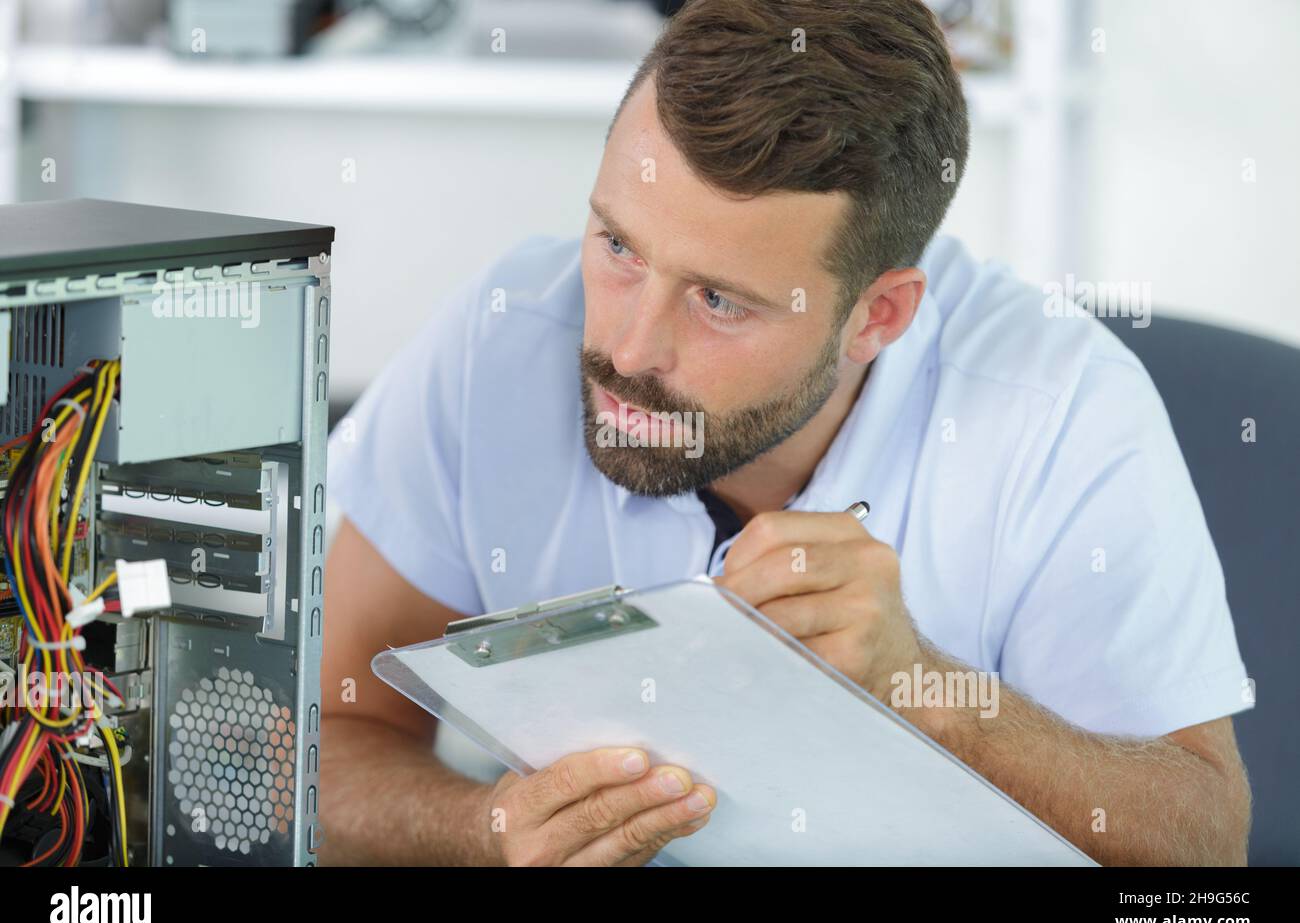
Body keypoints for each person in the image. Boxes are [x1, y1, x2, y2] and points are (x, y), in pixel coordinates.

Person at [320, 0, 1252, 866]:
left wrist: (923, 687)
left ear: (878, 315)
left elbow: (1207, 841)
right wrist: (484, 830)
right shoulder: (502, 338)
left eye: (720, 300)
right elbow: (316, 736)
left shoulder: (1058, 406)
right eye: (618, 247)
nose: (627, 349)